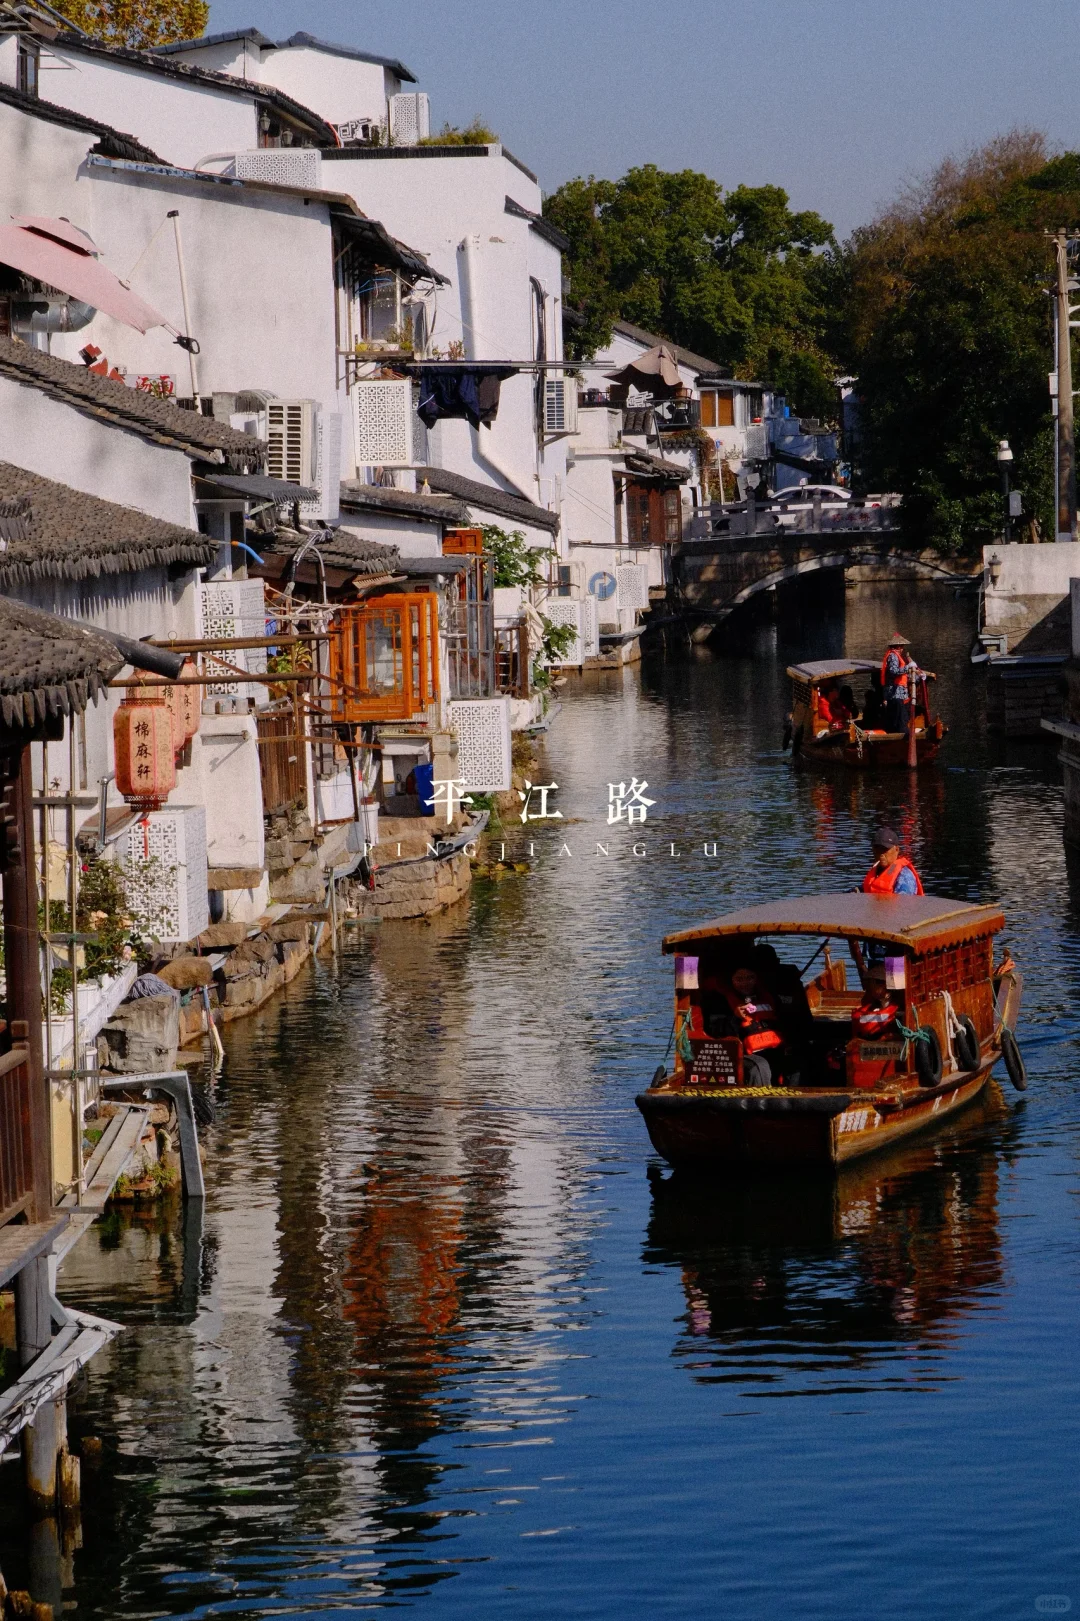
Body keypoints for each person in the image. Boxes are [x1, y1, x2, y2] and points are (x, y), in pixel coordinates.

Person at [862, 827, 923, 896]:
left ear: (897, 849)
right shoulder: (876, 870)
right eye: (877, 849)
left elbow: (905, 904)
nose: (881, 853)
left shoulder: (905, 876)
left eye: (885, 849)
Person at [852, 962, 900, 1041]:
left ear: (884, 986)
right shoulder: (872, 1002)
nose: (871, 986)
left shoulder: (896, 1007)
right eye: (871, 983)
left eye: (874, 983)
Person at [881, 632, 917, 733]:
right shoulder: (893, 656)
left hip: (899, 693)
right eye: (902, 647)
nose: (903, 649)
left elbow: (902, 674)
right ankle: (902, 734)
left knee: (901, 716)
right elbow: (894, 671)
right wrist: (908, 667)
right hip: (895, 693)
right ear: (898, 646)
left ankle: (900, 732)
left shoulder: (896, 656)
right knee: (900, 718)